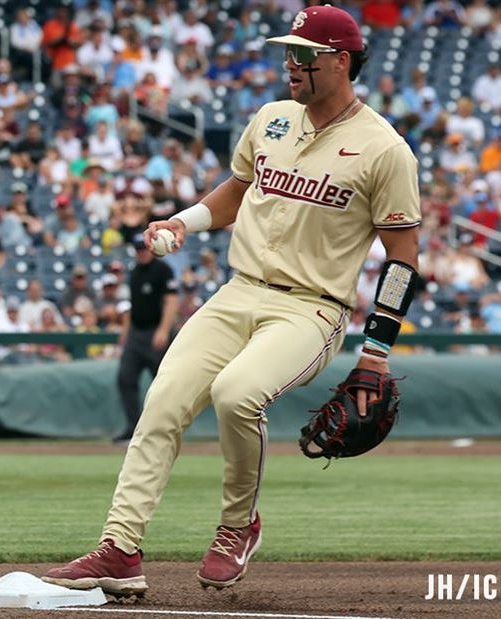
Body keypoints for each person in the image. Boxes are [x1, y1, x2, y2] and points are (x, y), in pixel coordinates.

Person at [43, 5, 421, 597]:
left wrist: (376, 351)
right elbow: (236, 193)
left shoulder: (384, 149)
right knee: (163, 401)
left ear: (340, 61)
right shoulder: (272, 118)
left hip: (311, 307)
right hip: (238, 290)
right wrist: (185, 222)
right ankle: (120, 548)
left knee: (237, 393)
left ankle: (237, 526)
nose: (289, 64)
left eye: (303, 54)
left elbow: (402, 257)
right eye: (287, 52)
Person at [113, 234, 179, 444]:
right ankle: (133, 427)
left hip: (155, 331)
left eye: (144, 248)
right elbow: (132, 307)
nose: (141, 252)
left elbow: (171, 301)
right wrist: (126, 334)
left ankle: (164, 428)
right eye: (138, 248)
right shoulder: (135, 272)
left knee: (161, 383)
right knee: (125, 378)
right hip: (137, 333)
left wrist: (163, 330)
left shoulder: (163, 270)